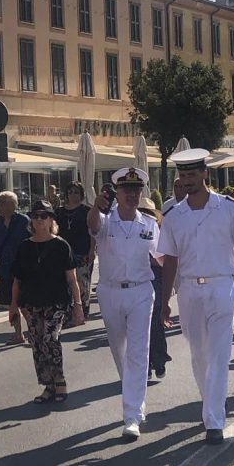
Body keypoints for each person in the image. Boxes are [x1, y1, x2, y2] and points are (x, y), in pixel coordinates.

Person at [159, 149, 234, 444]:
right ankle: (211, 404)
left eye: (192, 174)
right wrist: (165, 300)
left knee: (218, 353)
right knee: (199, 355)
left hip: (221, 285)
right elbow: (170, 260)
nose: (187, 181)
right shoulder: (175, 216)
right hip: (189, 288)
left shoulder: (229, 208)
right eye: (183, 176)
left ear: (205, 174)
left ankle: (214, 421)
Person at [87, 168, 159, 439]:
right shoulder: (105, 221)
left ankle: (131, 415)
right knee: (120, 351)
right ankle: (135, 400)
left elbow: (162, 256)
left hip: (141, 291)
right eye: (126, 189)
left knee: (138, 353)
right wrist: (95, 205)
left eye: (136, 190)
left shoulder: (149, 224)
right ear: (116, 192)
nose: (132, 194)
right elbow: (92, 226)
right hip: (111, 292)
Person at [9, 199, 83, 404]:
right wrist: (14, 305)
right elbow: (17, 279)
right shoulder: (24, 247)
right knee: (38, 343)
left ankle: (59, 379)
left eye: (44, 216)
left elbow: (72, 279)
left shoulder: (61, 245)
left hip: (56, 302)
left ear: (51, 220)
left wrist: (78, 306)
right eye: (35, 216)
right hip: (31, 303)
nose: (39, 220)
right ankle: (47, 385)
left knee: (50, 338)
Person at [0, 190, 30, 343]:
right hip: (5, 269)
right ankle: (18, 334)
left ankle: (34, 330)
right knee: (11, 303)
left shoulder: (24, 221)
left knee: (22, 303)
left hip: (22, 268)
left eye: (3, 202)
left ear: (13, 205)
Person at [138, 201, 172, 381]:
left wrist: (169, 285)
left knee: (156, 323)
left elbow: (164, 260)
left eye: (146, 211)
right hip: (140, 282)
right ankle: (146, 364)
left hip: (157, 279)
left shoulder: (158, 233)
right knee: (140, 326)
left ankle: (159, 360)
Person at [56, 181, 95, 320]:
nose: (73, 195)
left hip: (82, 251)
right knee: (66, 282)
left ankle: (82, 311)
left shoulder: (87, 211)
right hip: (64, 252)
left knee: (82, 282)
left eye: (76, 192)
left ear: (82, 194)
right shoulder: (59, 212)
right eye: (70, 192)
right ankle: (68, 312)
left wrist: (92, 250)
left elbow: (92, 232)